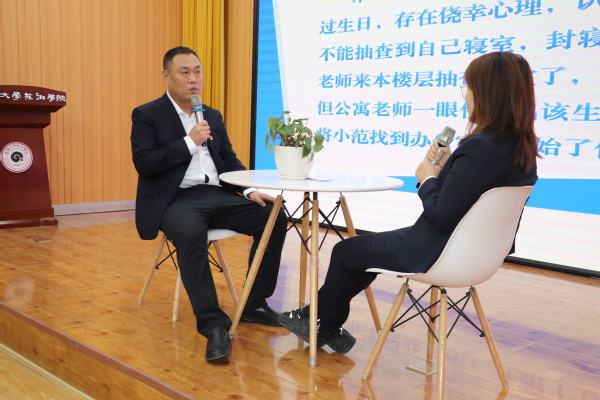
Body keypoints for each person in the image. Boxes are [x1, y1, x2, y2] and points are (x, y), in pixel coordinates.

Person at [278, 51, 539, 354]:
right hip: (480, 257)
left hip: (437, 250)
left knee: (347, 251)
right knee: (362, 253)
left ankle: (322, 322)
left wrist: (427, 177)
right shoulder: (521, 149)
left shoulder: (478, 147)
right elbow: (471, 197)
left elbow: (441, 216)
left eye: (468, 87)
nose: (465, 95)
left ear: (488, 92)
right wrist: (447, 170)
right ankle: (322, 322)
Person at [131, 46, 287, 361]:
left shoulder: (211, 115)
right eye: (185, 72)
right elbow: (144, 163)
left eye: (197, 71)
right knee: (191, 233)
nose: (194, 79)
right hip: (176, 199)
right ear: (166, 76)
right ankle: (213, 324)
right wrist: (190, 141)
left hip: (217, 194)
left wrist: (249, 190)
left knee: (274, 217)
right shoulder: (147, 114)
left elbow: (228, 158)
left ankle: (254, 304)